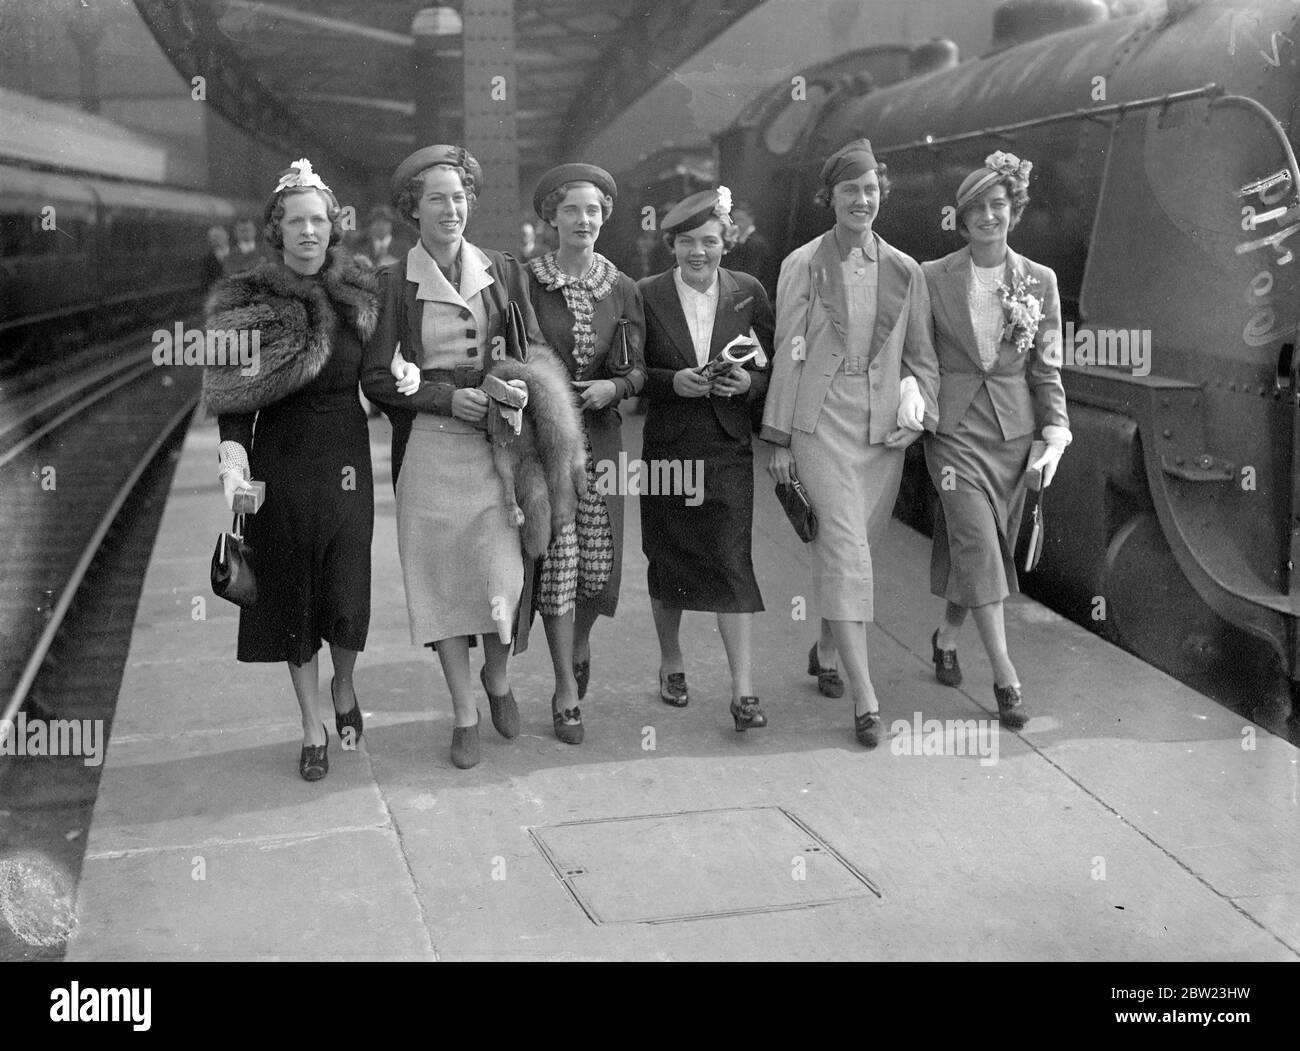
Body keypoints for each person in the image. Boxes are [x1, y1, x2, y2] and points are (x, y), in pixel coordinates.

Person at [360, 144, 580, 769]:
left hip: (499, 452)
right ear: (414, 209)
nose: (451, 209)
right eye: (437, 198)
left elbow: (536, 350)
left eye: (459, 197)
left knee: (500, 580)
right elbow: (376, 378)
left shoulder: (504, 272)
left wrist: (515, 378)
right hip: (430, 451)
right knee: (440, 585)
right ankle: (463, 711)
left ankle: (499, 676)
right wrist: (441, 398)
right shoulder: (392, 284)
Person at [761, 138, 940, 749]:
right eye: (848, 192)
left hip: (882, 436)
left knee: (858, 549)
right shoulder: (802, 264)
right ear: (829, 199)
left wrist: (920, 407)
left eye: (869, 190)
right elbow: (789, 351)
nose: (861, 201)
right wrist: (778, 440)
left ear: (880, 193)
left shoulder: (906, 270)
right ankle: (867, 700)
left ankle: (826, 650)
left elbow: (922, 357)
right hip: (819, 426)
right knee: (843, 551)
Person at [203, 158, 378, 782]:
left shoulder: (360, 293)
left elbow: (383, 372)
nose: (309, 231)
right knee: (295, 599)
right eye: (295, 222)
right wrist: (233, 465)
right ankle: (311, 728)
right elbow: (231, 400)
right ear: (276, 231)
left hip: (348, 466)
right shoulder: (248, 301)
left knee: (348, 591)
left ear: (334, 228)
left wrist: (406, 378)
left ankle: (345, 686)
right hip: (280, 467)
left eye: (319, 221)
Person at [922, 151, 1070, 729]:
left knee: (985, 549)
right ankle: (1005, 676)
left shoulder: (1040, 281)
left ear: (1014, 211)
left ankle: (946, 635)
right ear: (960, 220)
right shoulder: (932, 277)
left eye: (998, 206)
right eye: (976, 209)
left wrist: (1053, 432)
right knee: (979, 543)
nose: (988, 216)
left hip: (1013, 433)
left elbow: (1047, 368)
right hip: (953, 431)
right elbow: (919, 354)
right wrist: (914, 398)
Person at [638, 186, 773, 730]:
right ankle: (672, 660)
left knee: (731, 559)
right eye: (688, 242)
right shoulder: (645, 294)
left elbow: (772, 363)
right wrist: (674, 382)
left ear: (726, 242)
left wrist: (749, 383)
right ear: (672, 244)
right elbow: (631, 371)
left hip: (727, 446)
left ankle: (743, 691)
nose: (699, 252)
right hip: (669, 446)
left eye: (710, 241)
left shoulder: (748, 292)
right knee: (668, 558)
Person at [525, 163, 647, 739]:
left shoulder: (621, 287)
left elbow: (638, 366)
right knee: (559, 563)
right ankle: (564, 688)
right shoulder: (528, 282)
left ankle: (580, 643)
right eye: (571, 209)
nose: (583, 220)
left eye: (593, 210)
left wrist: (615, 387)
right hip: (548, 444)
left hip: (602, 440)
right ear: (551, 216)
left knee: (602, 568)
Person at [726, 201, 776, 301]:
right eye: (735, 220)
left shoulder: (756, 244)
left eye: (741, 219)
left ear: (751, 219)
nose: (737, 224)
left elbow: (752, 275)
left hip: (751, 297)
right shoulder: (739, 241)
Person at [199, 225, 229, 294]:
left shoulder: (239, 253)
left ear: (227, 236)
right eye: (213, 237)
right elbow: (206, 283)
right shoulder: (207, 260)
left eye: (219, 236)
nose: (216, 239)